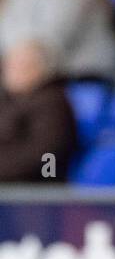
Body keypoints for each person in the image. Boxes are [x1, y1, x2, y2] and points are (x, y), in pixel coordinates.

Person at [0, 41, 78, 183]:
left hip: (34, 189)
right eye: (9, 65)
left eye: (22, 66)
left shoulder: (53, 103)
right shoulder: (7, 100)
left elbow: (46, 155)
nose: (12, 71)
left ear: (41, 69)